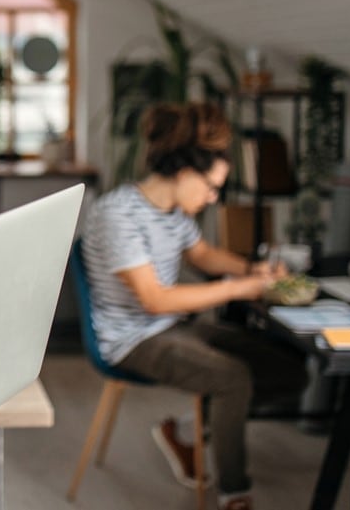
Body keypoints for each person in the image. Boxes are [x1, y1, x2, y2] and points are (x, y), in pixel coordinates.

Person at [80, 102, 308, 510]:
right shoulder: (118, 215)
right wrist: (240, 289)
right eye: (211, 187)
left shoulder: (174, 212)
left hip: (172, 328)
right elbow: (154, 300)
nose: (214, 197)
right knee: (233, 378)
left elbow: (202, 256)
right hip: (132, 340)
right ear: (185, 173)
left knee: (290, 370)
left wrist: (253, 269)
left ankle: (185, 430)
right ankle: (234, 493)